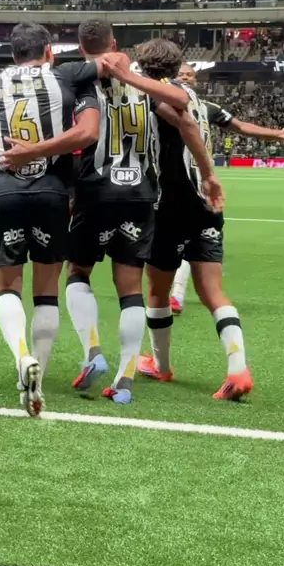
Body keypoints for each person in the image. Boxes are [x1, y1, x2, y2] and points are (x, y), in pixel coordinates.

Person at [65, 23, 222, 404]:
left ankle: (92, 351)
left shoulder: (79, 80)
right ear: (114, 43)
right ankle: (125, 378)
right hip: (141, 195)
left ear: (81, 48)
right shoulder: (145, 84)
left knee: (78, 272)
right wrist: (208, 175)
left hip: (96, 189)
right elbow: (185, 119)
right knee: (131, 289)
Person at [114, 45, 250, 402]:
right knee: (213, 292)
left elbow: (183, 122)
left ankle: (161, 366)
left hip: (169, 205)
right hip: (203, 205)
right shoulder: (193, 96)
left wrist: (210, 174)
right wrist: (209, 178)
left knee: (157, 292)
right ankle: (238, 368)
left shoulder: (157, 94)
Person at [0, 22, 108, 416]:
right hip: (52, 191)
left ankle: (21, 357)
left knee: (7, 286)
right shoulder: (64, 75)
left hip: (6, 189)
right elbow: (110, 63)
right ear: (50, 51)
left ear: (13, 55)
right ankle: (37, 379)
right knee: (47, 290)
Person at [170, 64, 284, 315]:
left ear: (196, 81)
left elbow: (241, 126)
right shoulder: (161, 103)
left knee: (188, 238)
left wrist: (278, 133)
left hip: (198, 182)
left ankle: (175, 296)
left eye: (190, 74)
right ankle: (165, 297)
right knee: (173, 241)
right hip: (169, 182)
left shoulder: (208, 108)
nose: (185, 77)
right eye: (181, 74)